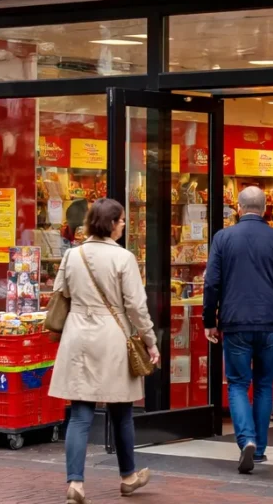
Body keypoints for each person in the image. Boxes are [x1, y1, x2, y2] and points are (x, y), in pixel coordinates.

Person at [49, 198, 162, 504]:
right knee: (122, 411)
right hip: (114, 337)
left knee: (80, 413)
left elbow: (62, 293)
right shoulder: (123, 258)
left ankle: (76, 482)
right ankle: (127, 476)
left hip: (78, 335)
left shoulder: (72, 255)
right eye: (122, 221)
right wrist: (150, 341)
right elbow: (136, 307)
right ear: (112, 224)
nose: (123, 225)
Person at [203, 186, 273, 474]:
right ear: (265, 209)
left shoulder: (223, 238)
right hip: (270, 321)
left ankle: (245, 439)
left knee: (236, 383)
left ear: (238, 207)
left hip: (234, 321)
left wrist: (209, 319)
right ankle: (258, 448)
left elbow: (212, 284)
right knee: (263, 384)